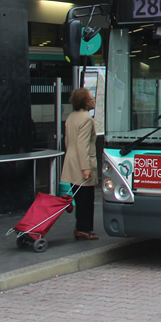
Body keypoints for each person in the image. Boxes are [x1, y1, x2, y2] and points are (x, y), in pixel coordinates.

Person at [61, 87, 99, 239]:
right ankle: (84, 229)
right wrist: (86, 168)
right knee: (86, 199)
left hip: (71, 161)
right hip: (82, 163)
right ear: (84, 102)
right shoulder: (87, 119)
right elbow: (83, 145)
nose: (93, 101)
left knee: (79, 197)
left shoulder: (71, 117)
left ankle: (82, 227)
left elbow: (68, 141)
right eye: (91, 99)